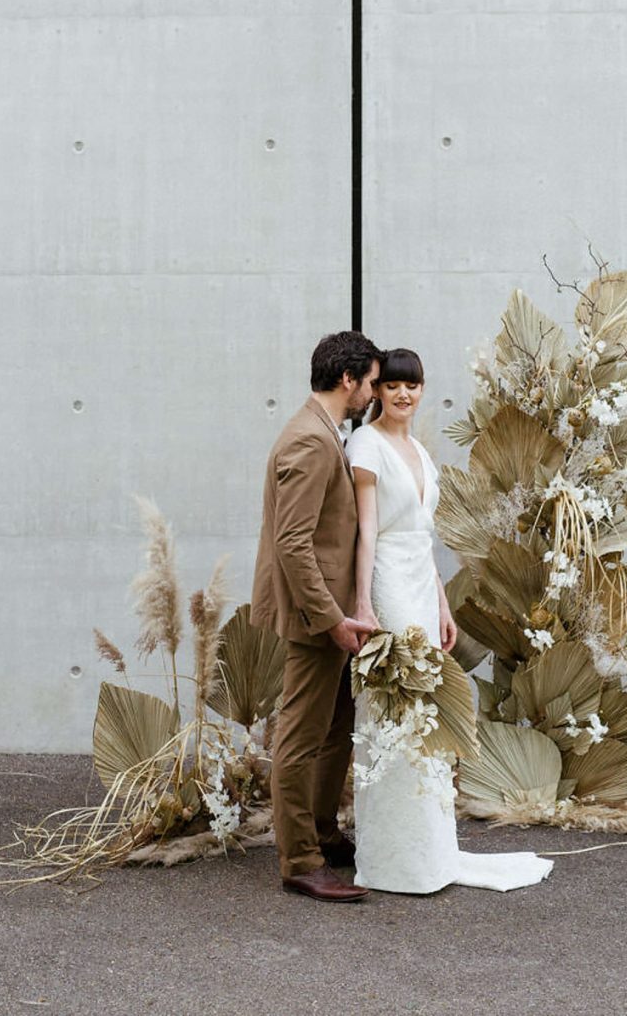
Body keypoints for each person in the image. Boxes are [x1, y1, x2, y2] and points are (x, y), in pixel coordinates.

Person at [346, 347, 554, 894]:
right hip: (387, 582)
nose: (403, 395)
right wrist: (364, 605)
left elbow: (424, 539)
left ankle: (429, 847)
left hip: (419, 581)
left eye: (412, 385)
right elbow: (368, 532)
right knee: (396, 707)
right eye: (392, 386)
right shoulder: (364, 446)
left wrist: (440, 603)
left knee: (429, 712)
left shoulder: (417, 449)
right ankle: (393, 857)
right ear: (377, 392)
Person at [251, 330, 384, 902]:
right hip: (316, 616)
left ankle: (324, 833)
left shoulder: (326, 431)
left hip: (331, 613)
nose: (375, 394)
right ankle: (299, 861)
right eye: (372, 383)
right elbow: (293, 544)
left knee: (336, 725)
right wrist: (331, 618)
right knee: (302, 736)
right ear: (348, 379)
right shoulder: (309, 440)